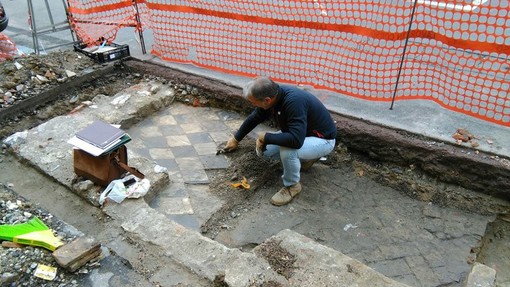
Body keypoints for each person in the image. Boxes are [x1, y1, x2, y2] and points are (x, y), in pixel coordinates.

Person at [222, 76, 337, 206]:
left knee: (288, 150)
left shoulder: (293, 102)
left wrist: (266, 137)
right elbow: (255, 118)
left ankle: (292, 186)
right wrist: (236, 139)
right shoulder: (273, 96)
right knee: (264, 151)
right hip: (302, 134)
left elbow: (295, 140)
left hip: (323, 140)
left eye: (254, 102)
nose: (253, 105)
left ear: (267, 100)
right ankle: (307, 158)